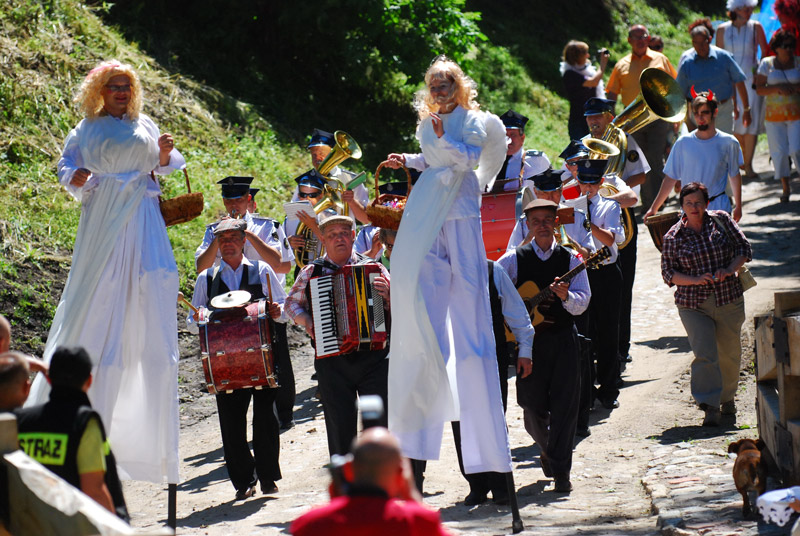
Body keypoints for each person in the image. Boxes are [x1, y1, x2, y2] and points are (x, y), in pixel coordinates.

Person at [26, 59, 183, 484]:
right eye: (114, 87)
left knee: (152, 280)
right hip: (104, 214)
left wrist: (164, 154)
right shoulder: (86, 128)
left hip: (142, 212)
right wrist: (73, 176)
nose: (121, 93)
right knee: (99, 294)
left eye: (126, 87)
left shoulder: (144, 124)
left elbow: (170, 165)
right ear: (100, 90)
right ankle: (83, 409)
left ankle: (151, 445)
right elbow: (65, 166)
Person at [382, 55, 512, 480]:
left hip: (459, 207)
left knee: (470, 291)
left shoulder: (474, 119)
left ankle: (484, 458)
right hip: (429, 208)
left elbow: (467, 161)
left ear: (459, 87)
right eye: (433, 85)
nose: (438, 91)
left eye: (446, 84)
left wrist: (441, 137)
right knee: (422, 282)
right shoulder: (426, 123)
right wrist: (410, 158)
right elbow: (433, 160)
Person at [188, 218, 286, 500]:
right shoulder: (206, 279)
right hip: (225, 363)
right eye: (223, 239)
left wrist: (276, 311)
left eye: (233, 237)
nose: (228, 243)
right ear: (217, 246)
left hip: (263, 357)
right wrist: (198, 317)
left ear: (244, 240)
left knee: (266, 419)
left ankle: (267, 477)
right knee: (231, 424)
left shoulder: (262, 270)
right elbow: (192, 321)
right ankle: (243, 480)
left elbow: (283, 310)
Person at [498, 199, 590, 493]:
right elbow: (494, 291)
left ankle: (562, 472)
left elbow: (583, 302)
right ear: (527, 224)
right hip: (529, 345)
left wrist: (566, 297)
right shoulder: (513, 259)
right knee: (531, 406)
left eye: (547, 219)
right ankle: (548, 448)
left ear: (555, 223)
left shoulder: (572, 259)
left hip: (563, 339)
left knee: (565, 407)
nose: (542, 225)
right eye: (535, 220)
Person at [285, 214, 391, 457]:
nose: (339, 239)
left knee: (377, 425)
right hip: (332, 360)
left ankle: (378, 484)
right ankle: (347, 487)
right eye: (332, 235)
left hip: (373, 359)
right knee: (340, 427)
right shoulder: (312, 271)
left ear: (353, 236)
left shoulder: (374, 267)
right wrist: (307, 320)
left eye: (344, 233)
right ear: (323, 240)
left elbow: (399, 304)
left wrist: (389, 295)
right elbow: (290, 304)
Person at [195, 176, 296, 429]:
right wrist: (222, 237)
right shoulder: (213, 230)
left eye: (239, 200)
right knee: (234, 361)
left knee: (277, 357)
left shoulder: (266, 226)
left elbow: (282, 264)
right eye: (228, 200)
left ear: (248, 200)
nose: (233, 206)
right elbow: (201, 267)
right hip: (226, 300)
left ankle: (283, 415)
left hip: (265, 301)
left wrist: (247, 235)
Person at [660, 183, 752, 426]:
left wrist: (730, 270)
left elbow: (744, 248)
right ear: (681, 206)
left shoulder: (721, 220)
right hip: (693, 304)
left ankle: (728, 398)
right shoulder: (673, 236)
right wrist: (694, 280)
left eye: (699, 202)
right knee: (705, 353)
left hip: (728, 297)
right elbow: (668, 273)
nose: (694, 207)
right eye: (689, 203)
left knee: (729, 353)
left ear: (707, 203)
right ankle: (709, 405)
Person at [451, 259, 534, 505]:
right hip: (455, 357)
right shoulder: (438, 270)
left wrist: (525, 348)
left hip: (490, 355)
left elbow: (516, 311)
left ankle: (500, 483)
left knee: (493, 417)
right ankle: (476, 484)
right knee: (461, 421)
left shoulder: (492, 270)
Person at [16, 346, 128, 519]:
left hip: (30, 524)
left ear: (49, 379)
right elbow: (94, 491)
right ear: (89, 381)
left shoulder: (20, 421)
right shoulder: (83, 423)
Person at [289, 427, 451, 536]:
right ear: (401, 475)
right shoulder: (418, 522)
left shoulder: (311, 524)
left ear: (348, 470)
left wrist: (336, 504)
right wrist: (413, 499)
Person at [605, 24, 678, 209]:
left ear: (648, 38)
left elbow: (673, 87)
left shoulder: (660, 59)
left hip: (658, 118)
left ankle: (657, 201)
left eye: (643, 36)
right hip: (633, 121)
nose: (640, 40)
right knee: (640, 162)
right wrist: (611, 116)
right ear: (629, 40)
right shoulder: (621, 64)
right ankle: (648, 203)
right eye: (636, 37)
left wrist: (676, 118)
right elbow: (612, 93)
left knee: (655, 158)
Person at [645, 91, 745, 222]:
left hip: (719, 208)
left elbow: (734, 174)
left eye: (705, 113)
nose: (700, 118)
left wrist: (738, 205)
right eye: (696, 114)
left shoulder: (729, 142)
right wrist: (654, 208)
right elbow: (670, 178)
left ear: (715, 112)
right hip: (690, 211)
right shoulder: (683, 143)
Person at [717, 0, 768, 179]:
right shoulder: (722, 29)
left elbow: (766, 53)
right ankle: (740, 162)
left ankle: (749, 164)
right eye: (745, 8)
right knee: (735, 121)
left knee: (751, 121)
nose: (749, 12)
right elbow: (718, 57)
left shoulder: (756, 26)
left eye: (750, 8)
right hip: (729, 81)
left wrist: (759, 72)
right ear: (735, 9)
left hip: (751, 81)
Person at [677, 19, 751, 135]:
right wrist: (687, 121)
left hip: (722, 110)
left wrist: (746, 109)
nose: (700, 47)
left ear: (710, 40)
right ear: (692, 43)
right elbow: (681, 95)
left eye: (703, 42)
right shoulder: (687, 64)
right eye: (696, 43)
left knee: (723, 147)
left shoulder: (724, 57)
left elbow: (739, 81)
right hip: (698, 113)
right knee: (701, 149)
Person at [756, 29, 800, 203]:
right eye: (784, 45)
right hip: (774, 116)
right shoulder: (767, 64)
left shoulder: (798, 62)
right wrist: (777, 88)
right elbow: (759, 88)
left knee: (797, 149)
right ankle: (785, 187)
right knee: (779, 152)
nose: (788, 49)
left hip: (796, 114)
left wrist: (795, 88)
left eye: (790, 46)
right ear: (776, 47)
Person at [292, 128, 370, 225]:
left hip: (343, 238)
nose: (317, 159)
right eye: (314, 155)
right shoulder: (305, 180)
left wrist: (352, 202)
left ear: (332, 152)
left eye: (321, 153)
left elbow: (366, 219)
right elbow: (293, 217)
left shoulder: (352, 180)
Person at [491, 110, 550, 191]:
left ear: (522, 138)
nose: (509, 139)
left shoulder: (537, 160)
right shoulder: (490, 161)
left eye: (513, 135)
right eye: (505, 135)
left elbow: (553, 190)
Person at [561, 40, 609, 140]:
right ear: (576, 57)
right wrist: (603, 64)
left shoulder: (586, 70)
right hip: (579, 120)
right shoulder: (569, 74)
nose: (588, 56)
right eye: (585, 53)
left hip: (594, 117)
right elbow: (593, 82)